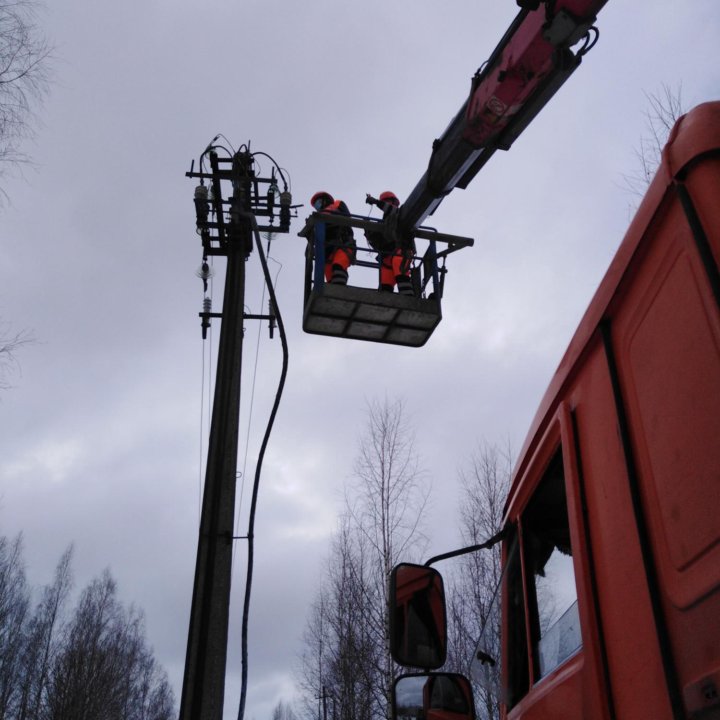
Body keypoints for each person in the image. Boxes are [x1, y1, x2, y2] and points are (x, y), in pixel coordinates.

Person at [365, 191, 415, 296]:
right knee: (385, 285)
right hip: (387, 257)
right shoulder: (385, 223)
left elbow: (389, 209)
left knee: (401, 276)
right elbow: (379, 243)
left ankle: (409, 300)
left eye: (387, 201)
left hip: (401, 251)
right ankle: (387, 304)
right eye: (385, 202)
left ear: (394, 202)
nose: (386, 204)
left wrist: (376, 202)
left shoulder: (400, 213)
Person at [310, 191, 356, 285]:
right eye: (315, 205)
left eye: (318, 202)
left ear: (325, 200)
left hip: (343, 244)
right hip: (327, 251)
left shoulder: (337, 204)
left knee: (338, 266)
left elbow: (346, 217)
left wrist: (325, 218)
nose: (317, 206)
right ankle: (335, 297)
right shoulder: (318, 220)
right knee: (330, 279)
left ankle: (339, 292)